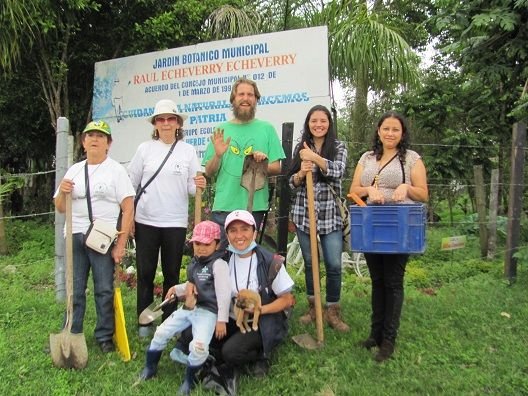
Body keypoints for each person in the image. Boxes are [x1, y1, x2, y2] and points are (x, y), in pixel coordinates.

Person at [173, 210, 295, 395]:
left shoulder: (270, 261)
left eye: (244, 229)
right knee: (190, 333)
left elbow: (288, 299)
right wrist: (180, 288)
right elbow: (200, 279)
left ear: (254, 232)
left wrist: (260, 309)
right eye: (233, 230)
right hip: (229, 317)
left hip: (258, 321)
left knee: (230, 353)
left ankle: (260, 355)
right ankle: (222, 352)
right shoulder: (221, 259)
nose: (239, 236)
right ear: (227, 235)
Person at [349, 111, 428, 362]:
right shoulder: (367, 158)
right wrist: (369, 189)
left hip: (399, 226)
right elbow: (352, 191)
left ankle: (389, 340)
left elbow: (423, 194)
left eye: (395, 129)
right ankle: (375, 334)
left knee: (393, 282)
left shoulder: (412, 159)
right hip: (371, 223)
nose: (390, 133)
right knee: (377, 279)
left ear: (402, 133)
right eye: (386, 128)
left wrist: (405, 187)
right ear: (378, 131)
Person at [53, 120, 135, 353]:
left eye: (101, 136)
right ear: (83, 142)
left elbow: (128, 207)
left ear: (109, 143)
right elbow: (59, 206)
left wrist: (121, 245)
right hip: (75, 237)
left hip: (102, 239)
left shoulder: (116, 170)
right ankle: (72, 330)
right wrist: (63, 192)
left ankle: (104, 336)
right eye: (90, 136)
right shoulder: (74, 170)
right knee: (75, 288)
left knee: (104, 288)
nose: (95, 140)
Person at [128, 99, 206, 338]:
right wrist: (128, 217)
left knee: (172, 273)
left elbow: (194, 190)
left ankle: (169, 320)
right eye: (160, 119)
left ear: (178, 123)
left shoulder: (188, 151)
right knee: (146, 272)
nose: (165, 123)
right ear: (155, 124)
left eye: (170, 119)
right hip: (146, 220)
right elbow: (130, 185)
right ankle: (144, 321)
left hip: (175, 222)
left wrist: (200, 183)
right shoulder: (144, 149)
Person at [138, 220, 230, 395]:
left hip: (208, 312)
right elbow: (192, 285)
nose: (201, 248)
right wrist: (177, 289)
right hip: (189, 308)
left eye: (206, 244)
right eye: (197, 243)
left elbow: (224, 294)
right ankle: (150, 368)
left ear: (217, 244)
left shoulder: (219, 265)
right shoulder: (194, 263)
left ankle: (190, 380)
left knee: (199, 345)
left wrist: (221, 320)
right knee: (162, 331)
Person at [287, 104, 349, 332]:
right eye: (314, 121)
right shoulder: (300, 148)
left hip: (330, 215)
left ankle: (332, 310)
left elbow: (338, 171)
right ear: (308, 123)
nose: (318, 125)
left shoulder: (339, 147)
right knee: (311, 263)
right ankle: (314, 308)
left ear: (329, 124)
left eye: (323, 120)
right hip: (305, 214)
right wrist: (302, 173)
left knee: (333, 264)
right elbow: (291, 182)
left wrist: (315, 158)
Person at [203, 78, 285, 245]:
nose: (245, 98)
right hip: (224, 206)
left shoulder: (266, 129)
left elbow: (277, 167)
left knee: (248, 261)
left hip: (253, 207)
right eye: (241, 94)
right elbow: (209, 172)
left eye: (250, 94)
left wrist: (261, 163)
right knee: (223, 261)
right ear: (233, 99)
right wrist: (218, 155)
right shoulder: (221, 130)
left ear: (256, 99)